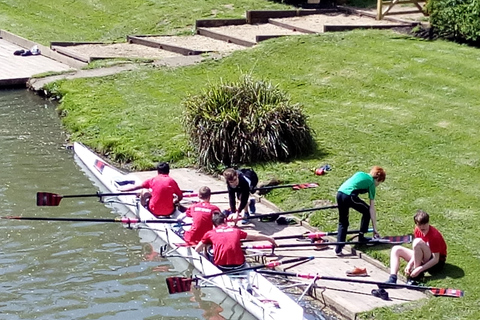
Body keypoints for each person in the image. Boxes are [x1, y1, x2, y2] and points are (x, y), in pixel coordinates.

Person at [195, 211, 276, 270]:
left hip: (222, 266)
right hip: (239, 265)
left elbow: (197, 249)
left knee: (208, 247)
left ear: (214, 224)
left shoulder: (210, 233)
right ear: (225, 221)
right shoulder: (236, 230)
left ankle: (209, 264)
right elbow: (254, 237)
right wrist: (268, 238)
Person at [334, 166, 386, 256]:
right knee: (367, 211)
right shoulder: (371, 183)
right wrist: (375, 229)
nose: (378, 185)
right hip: (349, 195)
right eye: (379, 182)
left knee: (343, 222)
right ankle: (361, 238)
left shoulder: (360, 173)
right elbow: (372, 209)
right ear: (377, 178)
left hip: (339, 193)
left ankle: (338, 248)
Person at [386, 210, 447, 284]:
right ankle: (392, 278)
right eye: (419, 224)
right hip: (424, 257)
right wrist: (409, 265)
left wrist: (419, 269)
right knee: (396, 249)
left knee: (417, 242)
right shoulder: (417, 230)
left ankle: (416, 276)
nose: (422, 227)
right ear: (416, 224)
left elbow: (436, 259)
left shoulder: (434, 236)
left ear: (428, 222)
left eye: (425, 224)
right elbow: (417, 251)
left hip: (436, 264)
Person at [117, 162, 183, 217]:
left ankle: (142, 209)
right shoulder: (172, 182)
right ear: (168, 171)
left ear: (158, 171)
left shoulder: (153, 180)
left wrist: (122, 189)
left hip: (154, 210)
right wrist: (175, 201)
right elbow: (180, 196)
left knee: (144, 191)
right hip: (169, 212)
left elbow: (136, 187)